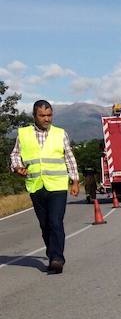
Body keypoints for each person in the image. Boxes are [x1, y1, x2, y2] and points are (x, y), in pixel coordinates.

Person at [11, 99, 80, 274]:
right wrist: (17, 167)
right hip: (35, 185)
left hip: (57, 185)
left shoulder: (60, 133)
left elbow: (69, 157)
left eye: (49, 115)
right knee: (45, 224)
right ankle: (52, 254)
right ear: (34, 116)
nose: (47, 119)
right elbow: (15, 155)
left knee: (55, 222)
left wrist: (75, 180)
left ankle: (57, 258)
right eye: (42, 116)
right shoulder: (23, 134)